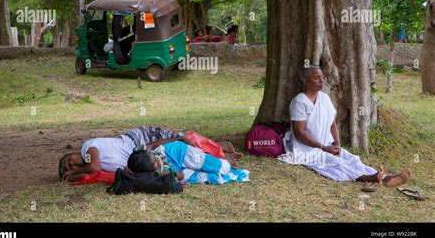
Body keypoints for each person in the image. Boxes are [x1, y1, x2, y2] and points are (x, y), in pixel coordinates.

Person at [278, 65, 410, 190]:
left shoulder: (324, 98)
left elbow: (332, 122)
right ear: (306, 81)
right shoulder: (299, 102)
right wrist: (323, 148)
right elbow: (299, 133)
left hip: (327, 145)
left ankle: (386, 178)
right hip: (307, 149)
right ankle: (369, 178)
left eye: (322, 77)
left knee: (352, 159)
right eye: (316, 78)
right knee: (338, 164)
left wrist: (337, 144)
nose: (321, 80)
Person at [58, 126, 237, 182]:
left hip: (138, 140)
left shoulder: (87, 147)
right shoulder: (89, 166)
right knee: (183, 159)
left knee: (184, 141)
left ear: (73, 152)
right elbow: (93, 173)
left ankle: (216, 147)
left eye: (69, 161)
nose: (73, 164)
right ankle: (217, 158)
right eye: (70, 167)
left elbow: (93, 166)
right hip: (143, 155)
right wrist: (73, 175)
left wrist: (71, 172)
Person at [127, 140, 249, 185]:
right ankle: (217, 169)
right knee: (203, 178)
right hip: (176, 168)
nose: (157, 162)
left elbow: (154, 144)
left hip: (181, 152)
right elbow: (181, 175)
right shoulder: (154, 172)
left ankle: (224, 162)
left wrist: (180, 139)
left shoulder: (142, 151)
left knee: (219, 167)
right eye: (155, 164)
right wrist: (165, 173)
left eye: (154, 158)